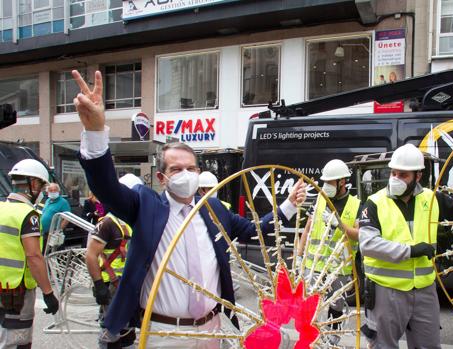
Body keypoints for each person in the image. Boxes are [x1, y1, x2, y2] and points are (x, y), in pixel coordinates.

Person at [71, 70, 307, 349]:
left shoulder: (214, 210)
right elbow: (106, 187)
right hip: (163, 332)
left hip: (212, 329)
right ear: (162, 177)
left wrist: (289, 204)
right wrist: (96, 131)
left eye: (191, 168)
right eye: (176, 169)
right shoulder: (145, 206)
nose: (185, 174)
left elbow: (255, 229)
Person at [358, 143, 453, 349]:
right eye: (393, 173)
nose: (396, 179)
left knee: (428, 345)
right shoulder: (374, 203)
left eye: (403, 175)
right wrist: (410, 251)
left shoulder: (432, 198)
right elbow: (368, 244)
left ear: (418, 176)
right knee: (383, 346)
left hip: (424, 291)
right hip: (386, 291)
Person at [298, 159, 361, 345]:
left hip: (338, 270)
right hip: (313, 267)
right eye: (324, 182)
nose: (325, 186)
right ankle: (310, 340)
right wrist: (299, 257)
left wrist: (339, 224)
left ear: (342, 181)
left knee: (336, 307)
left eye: (330, 182)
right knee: (310, 307)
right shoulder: (319, 201)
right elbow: (307, 230)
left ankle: (332, 341)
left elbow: (358, 235)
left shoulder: (355, 204)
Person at [0, 159, 59, 348]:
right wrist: (48, 293)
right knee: (18, 341)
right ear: (33, 184)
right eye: (41, 187)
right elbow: (34, 257)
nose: (42, 192)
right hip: (16, 291)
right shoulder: (28, 215)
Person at [85, 173, 143, 349]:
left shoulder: (136, 221)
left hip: (130, 287)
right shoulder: (108, 223)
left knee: (128, 332)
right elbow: (91, 255)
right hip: (112, 286)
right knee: (110, 334)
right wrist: (99, 285)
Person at [41, 182, 71, 249]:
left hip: (54, 234)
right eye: (51, 190)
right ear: (47, 192)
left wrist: (58, 230)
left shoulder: (63, 202)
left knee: (55, 252)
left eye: (55, 190)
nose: (53, 192)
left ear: (58, 191)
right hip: (45, 233)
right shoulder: (48, 201)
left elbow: (67, 218)